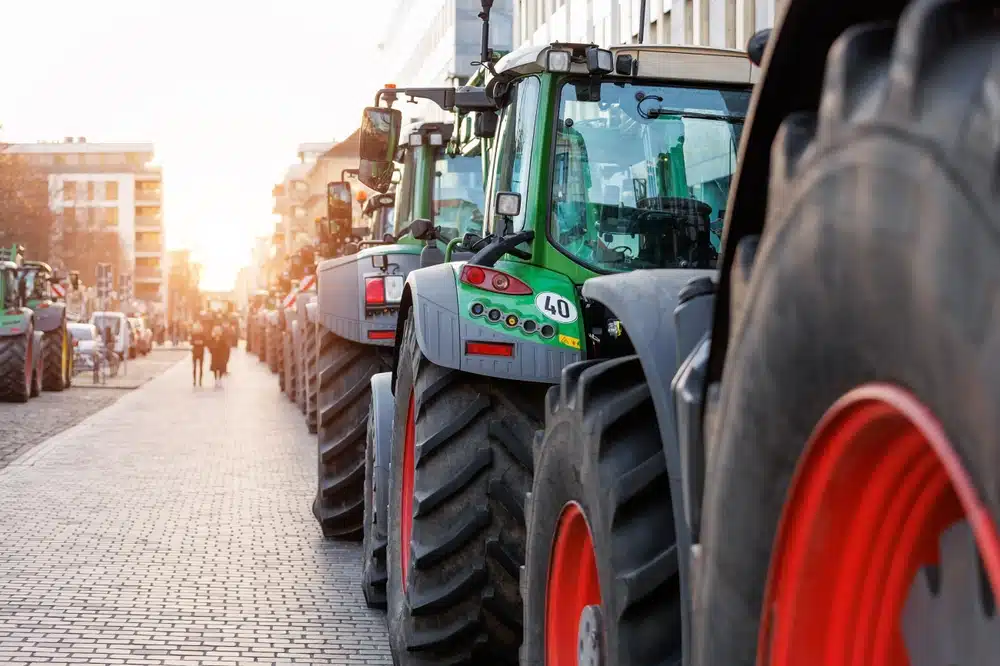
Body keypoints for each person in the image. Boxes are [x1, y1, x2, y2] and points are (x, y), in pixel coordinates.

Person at [190, 322, 206, 386]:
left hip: (201, 352)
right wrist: (198, 342)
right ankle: (194, 380)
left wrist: (199, 342)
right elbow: (191, 342)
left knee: (201, 367)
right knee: (194, 367)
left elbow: (205, 342)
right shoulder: (193, 335)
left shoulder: (203, 335)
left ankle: (200, 380)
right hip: (195, 352)